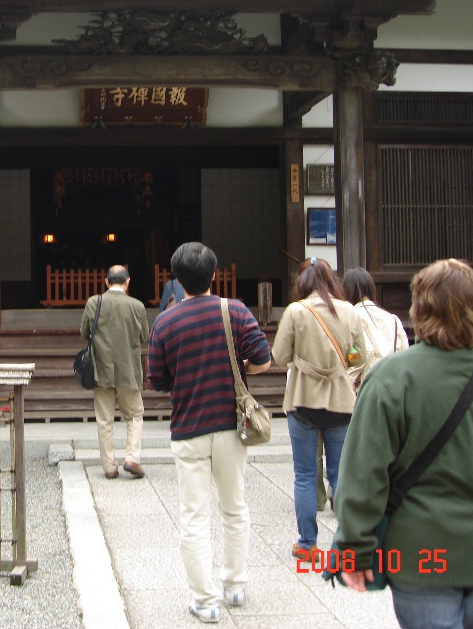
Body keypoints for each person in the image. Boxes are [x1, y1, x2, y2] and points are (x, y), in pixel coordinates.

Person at [335, 259, 473, 629]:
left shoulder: (390, 379)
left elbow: (363, 474)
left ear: (419, 309)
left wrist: (355, 547)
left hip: (422, 552)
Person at [147, 242, 271, 622]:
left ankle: (204, 600)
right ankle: (235, 584)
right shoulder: (235, 310)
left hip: (188, 428)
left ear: (176, 279)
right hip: (231, 426)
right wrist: (237, 367)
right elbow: (263, 360)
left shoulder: (165, 322)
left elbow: (157, 380)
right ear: (214, 275)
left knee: (194, 516)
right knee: (234, 507)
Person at [272, 257, 365, 563]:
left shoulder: (296, 311)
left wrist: (302, 359)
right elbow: (359, 356)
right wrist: (342, 363)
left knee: (304, 474)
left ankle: (308, 544)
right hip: (340, 400)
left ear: (302, 283)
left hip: (303, 400)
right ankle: (350, 543)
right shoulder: (349, 311)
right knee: (340, 474)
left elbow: (279, 355)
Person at [80, 265, 149, 481]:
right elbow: (144, 337)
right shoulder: (137, 306)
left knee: (104, 420)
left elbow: (84, 332)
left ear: (106, 281)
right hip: (129, 371)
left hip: (101, 370)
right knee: (135, 415)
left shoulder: (93, 302)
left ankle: (109, 467)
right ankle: (132, 458)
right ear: (128, 282)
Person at [341, 266, 409, 388]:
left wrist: (347, 379)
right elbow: (405, 354)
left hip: (367, 385)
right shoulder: (393, 319)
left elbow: (363, 351)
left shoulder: (353, 316)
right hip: (391, 384)